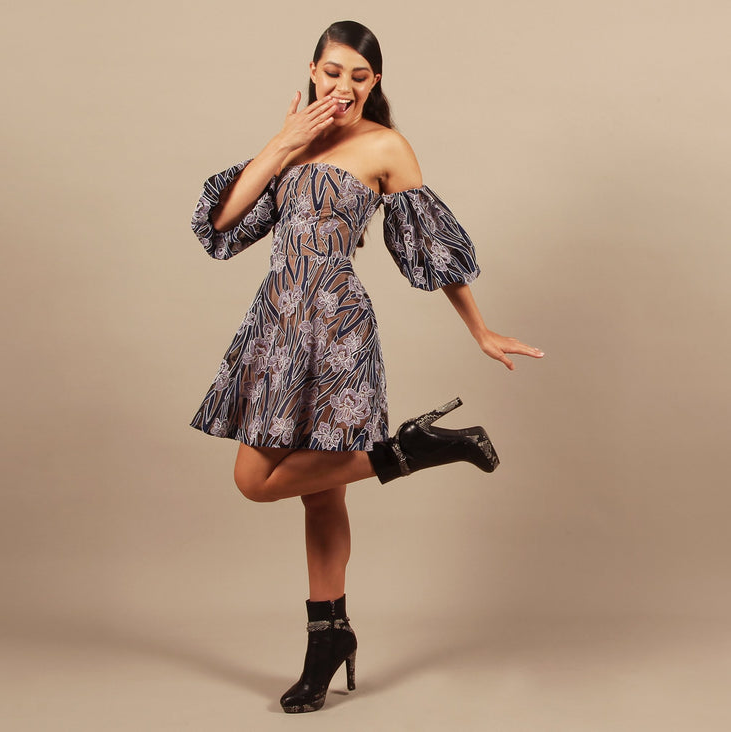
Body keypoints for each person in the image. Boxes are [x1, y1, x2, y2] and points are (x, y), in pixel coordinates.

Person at [189, 20, 544, 714]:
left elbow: (429, 246)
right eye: (332, 71)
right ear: (313, 70)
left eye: (359, 75)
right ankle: (334, 629)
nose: (343, 86)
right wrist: (283, 142)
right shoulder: (295, 138)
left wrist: (478, 329)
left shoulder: (386, 146)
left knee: (283, 486)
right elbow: (223, 224)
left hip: (337, 329)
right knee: (305, 491)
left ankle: (404, 463)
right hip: (276, 327)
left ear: (374, 81)